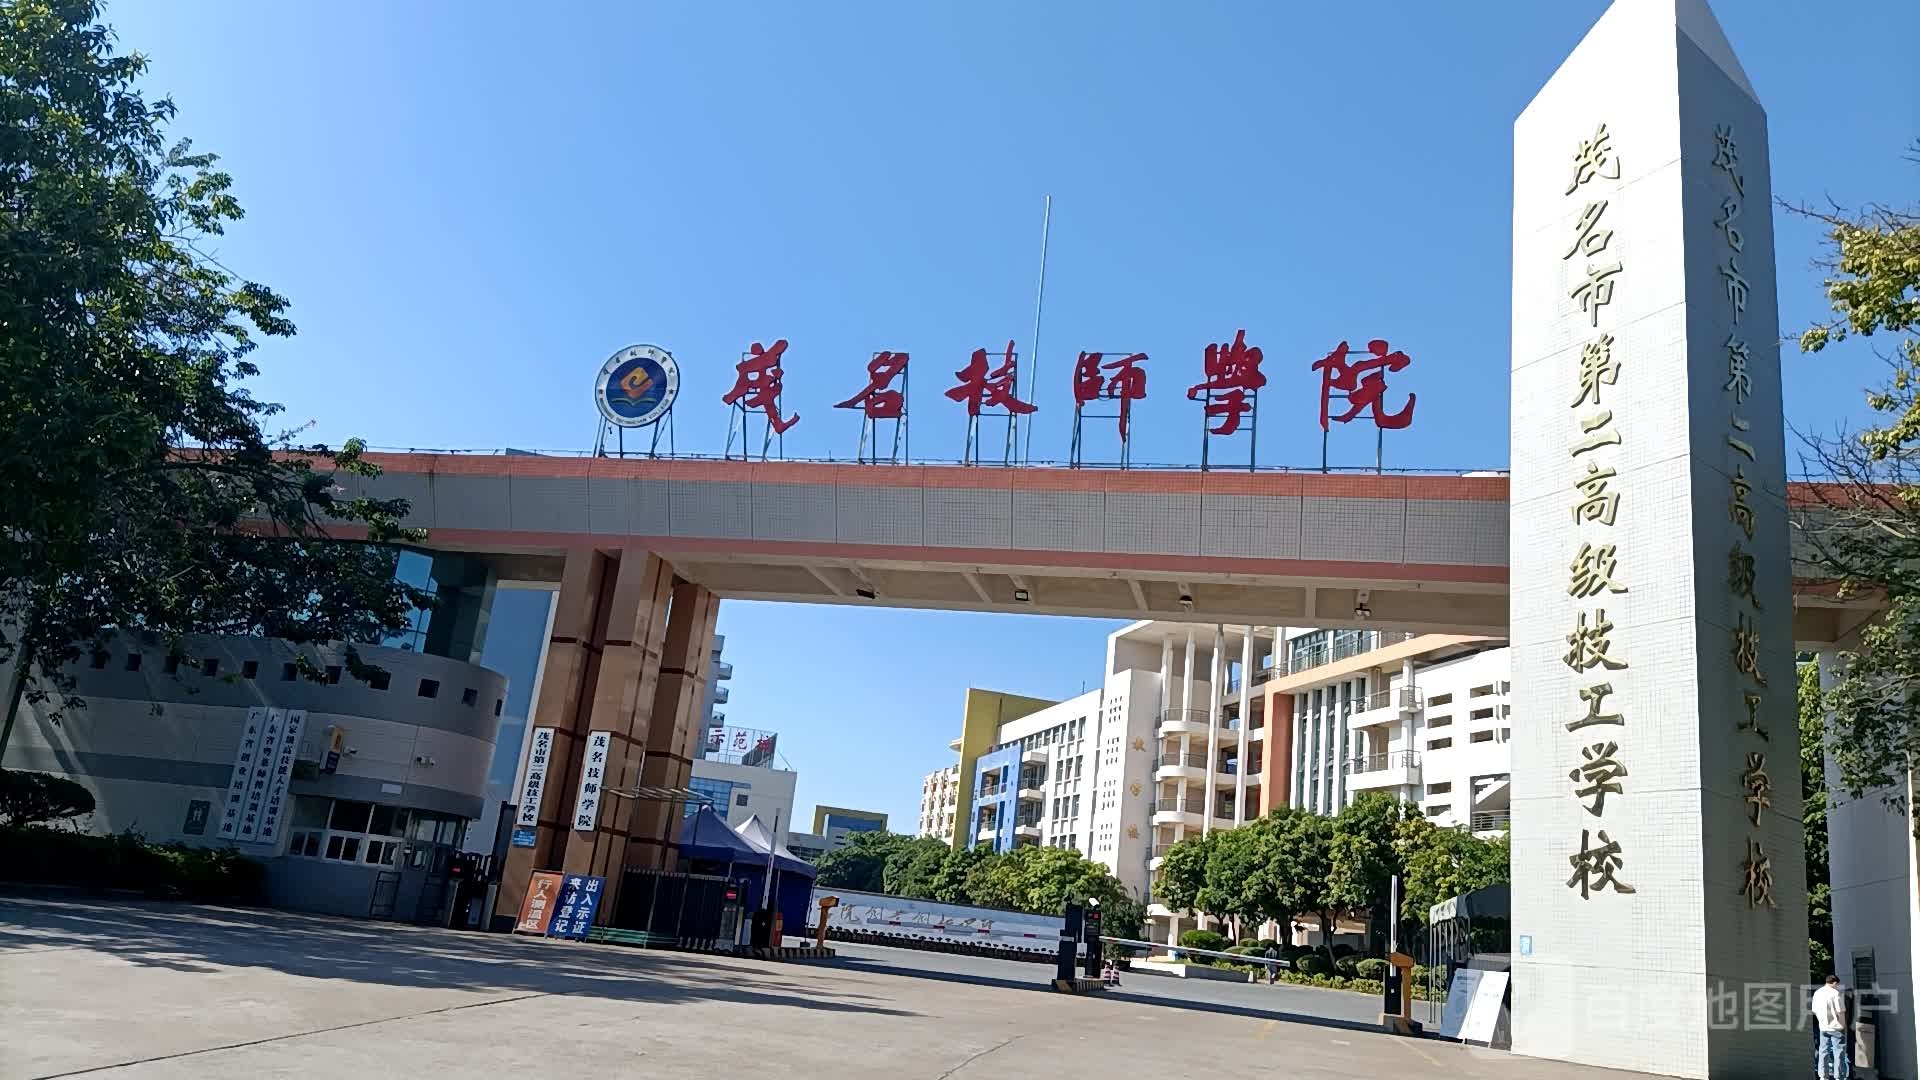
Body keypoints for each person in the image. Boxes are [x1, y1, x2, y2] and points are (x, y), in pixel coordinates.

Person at [1811, 973, 1850, 1080]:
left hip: (1823, 1027)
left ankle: (1823, 1076)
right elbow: (1841, 1011)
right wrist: (1843, 1025)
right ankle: (1839, 1076)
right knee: (1839, 1052)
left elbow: (1814, 1010)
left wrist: (1822, 1019)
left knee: (1823, 1051)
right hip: (1836, 1027)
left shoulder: (1817, 993)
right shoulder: (1835, 993)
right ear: (1835, 983)